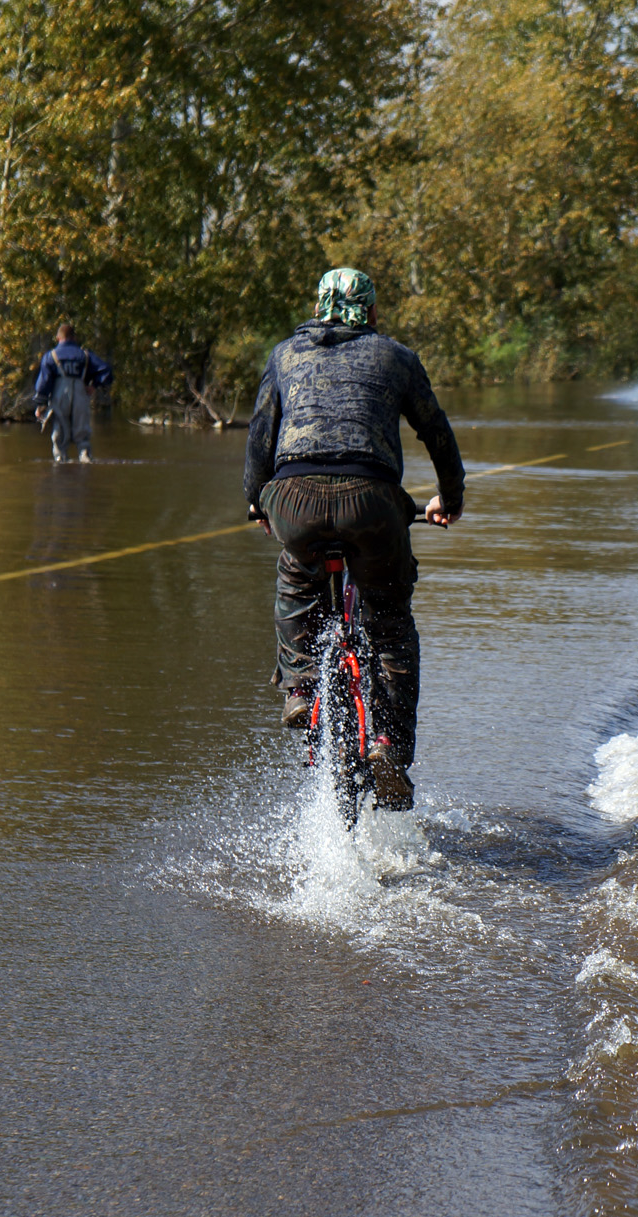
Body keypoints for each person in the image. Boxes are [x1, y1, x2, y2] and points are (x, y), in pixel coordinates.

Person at [243, 268, 466, 811]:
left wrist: (256, 502)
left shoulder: (285, 355)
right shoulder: (396, 356)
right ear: (369, 311)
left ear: (318, 305)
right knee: (389, 623)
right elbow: (436, 431)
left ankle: (298, 687)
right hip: (374, 504)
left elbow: (259, 437)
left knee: (296, 572)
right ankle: (390, 749)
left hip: (293, 498)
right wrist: (449, 498)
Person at [32, 323, 113, 463]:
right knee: (82, 428)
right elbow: (106, 371)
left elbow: (44, 382)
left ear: (58, 338)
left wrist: (40, 405)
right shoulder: (85, 355)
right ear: (74, 338)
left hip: (59, 395)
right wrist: (94, 386)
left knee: (59, 429)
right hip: (80, 393)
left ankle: (60, 458)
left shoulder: (51, 356)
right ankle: (85, 456)